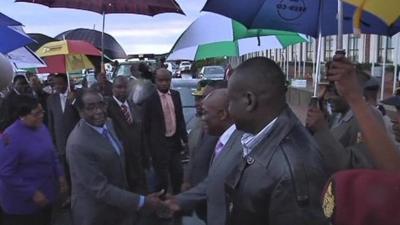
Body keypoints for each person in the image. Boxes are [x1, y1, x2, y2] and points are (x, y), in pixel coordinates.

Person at [224, 57, 327, 225]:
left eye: (230, 101)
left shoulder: (293, 168)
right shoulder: (259, 139)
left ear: (249, 101)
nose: (227, 110)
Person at [66, 89, 163, 225]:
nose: (99, 111)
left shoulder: (109, 124)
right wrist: (142, 201)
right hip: (96, 214)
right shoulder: (78, 144)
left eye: (101, 104)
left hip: (119, 209)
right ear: (80, 111)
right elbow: (100, 189)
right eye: (91, 108)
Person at [165, 88, 243, 225]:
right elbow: (215, 181)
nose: (202, 118)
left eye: (205, 113)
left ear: (222, 114)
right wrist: (179, 200)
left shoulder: (241, 145)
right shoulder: (224, 141)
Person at [0, 95, 66, 225]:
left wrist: (61, 175)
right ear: (22, 116)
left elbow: (52, 153)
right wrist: (32, 193)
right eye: (36, 114)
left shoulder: (41, 127)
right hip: (22, 204)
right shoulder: (10, 137)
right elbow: (6, 172)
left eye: (42, 111)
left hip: (46, 194)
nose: (41, 115)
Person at [306, 69, 380, 173]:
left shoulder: (367, 119)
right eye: (329, 91)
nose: (328, 97)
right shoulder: (336, 115)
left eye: (335, 92)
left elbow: (353, 166)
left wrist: (321, 130)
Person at [143, 68, 188, 195]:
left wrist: (185, 139)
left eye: (167, 80)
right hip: (158, 145)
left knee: (178, 174)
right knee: (162, 178)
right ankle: (161, 204)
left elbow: (180, 118)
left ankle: (178, 201)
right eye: (160, 80)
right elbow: (146, 127)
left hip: (174, 142)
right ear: (155, 81)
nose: (164, 83)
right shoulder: (150, 100)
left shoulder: (175, 95)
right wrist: (148, 151)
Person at [107, 76, 148, 194]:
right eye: (119, 87)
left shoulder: (135, 107)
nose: (122, 90)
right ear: (113, 88)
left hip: (137, 161)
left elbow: (142, 134)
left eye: (125, 87)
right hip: (121, 161)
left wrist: (145, 157)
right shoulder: (107, 106)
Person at [46, 73, 80, 204]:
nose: (58, 86)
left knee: (76, 169)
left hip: (75, 139)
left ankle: (79, 194)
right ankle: (68, 196)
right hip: (60, 142)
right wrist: (51, 140)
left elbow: (82, 115)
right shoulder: (50, 99)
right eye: (55, 84)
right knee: (64, 171)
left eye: (61, 83)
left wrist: (74, 101)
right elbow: (50, 121)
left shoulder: (76, 95)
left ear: (67, 83)